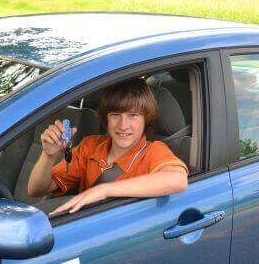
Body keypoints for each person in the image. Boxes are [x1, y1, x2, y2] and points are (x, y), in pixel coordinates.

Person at [27, 78, 188, 215]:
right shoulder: (90, 147)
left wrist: (104, 190)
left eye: (133, 115)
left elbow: (178, 180)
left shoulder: (153, 151)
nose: (123, 125)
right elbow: (36, 190)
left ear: (145, 119)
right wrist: (48, 156)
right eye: (115, 115)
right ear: (106, 118)